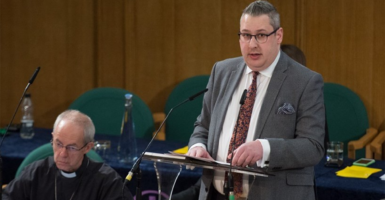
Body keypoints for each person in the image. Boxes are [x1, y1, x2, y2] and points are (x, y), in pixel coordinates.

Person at [187, 1, 325, 200]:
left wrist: (265, 148)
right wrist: (197, 146)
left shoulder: (305, 81)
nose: (252, 44)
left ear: (278, 36)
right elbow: (203, 126)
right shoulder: (222, 71)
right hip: (217, 194)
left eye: (261, 35)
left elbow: (313, 147)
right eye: (245, 35)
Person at [3, 110, 133, 200]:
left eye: (71, 147)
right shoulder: (35, 173)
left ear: (88, 147)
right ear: (53, 138)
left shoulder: (108, 182)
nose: (63, 154)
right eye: (58, 144)